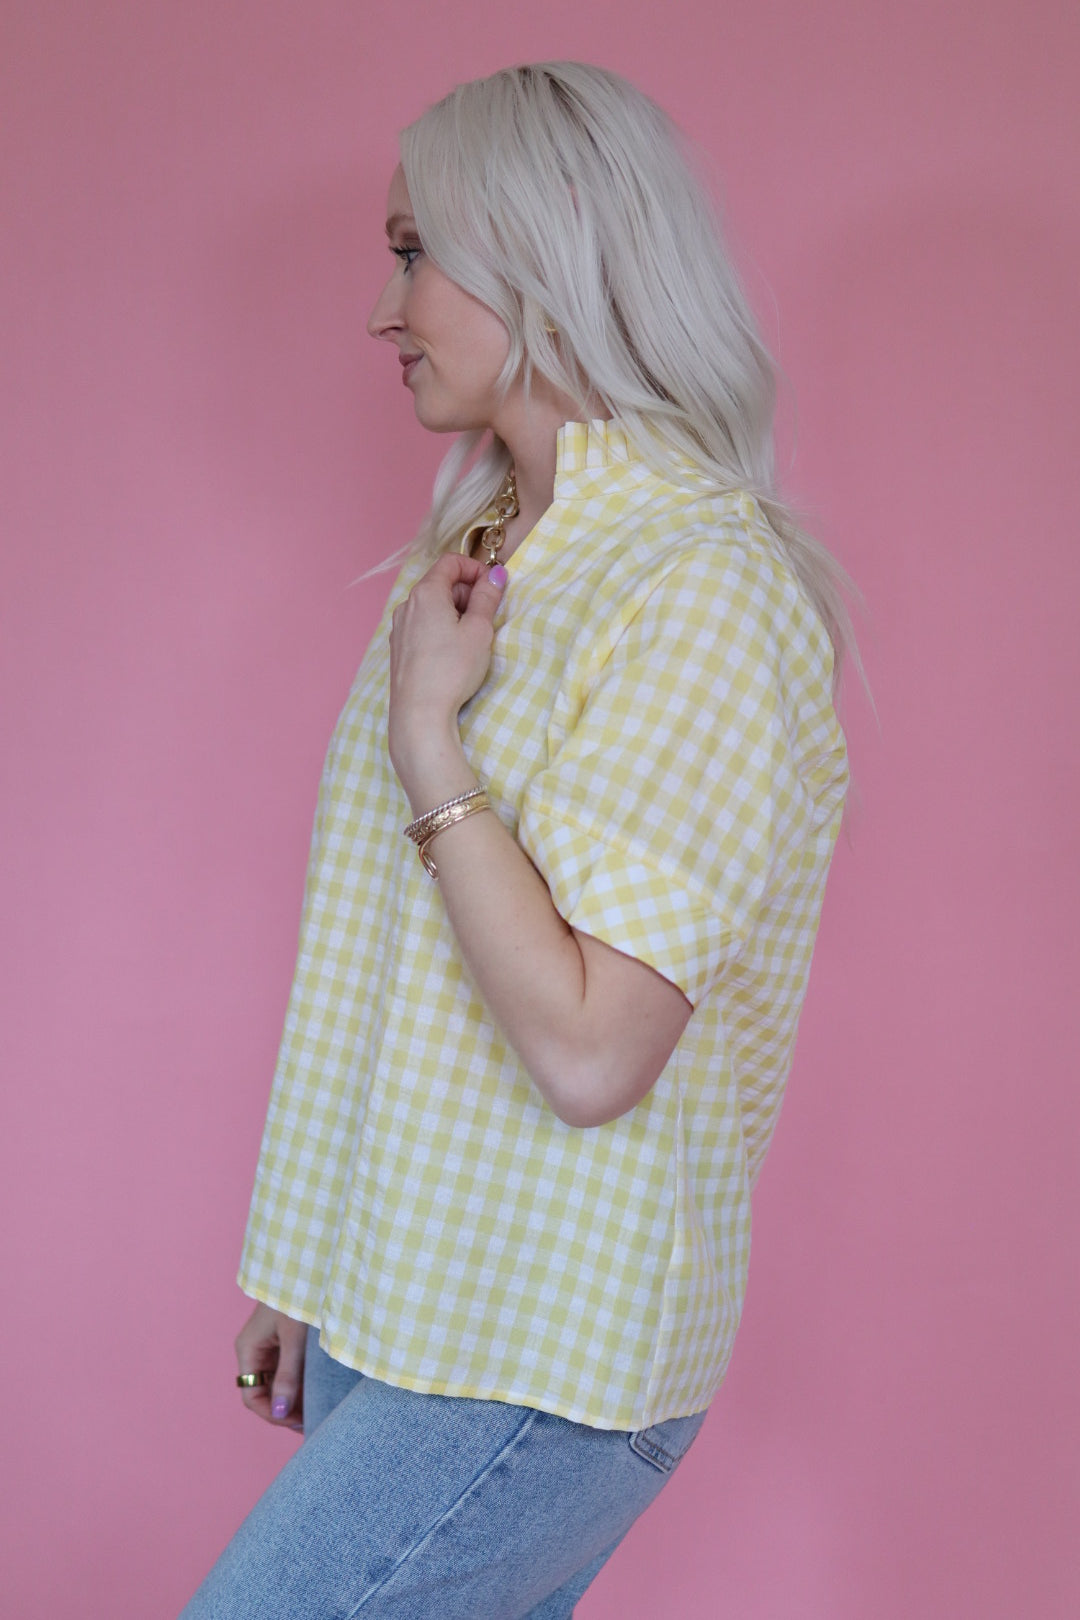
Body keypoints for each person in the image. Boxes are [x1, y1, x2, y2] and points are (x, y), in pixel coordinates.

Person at [181, 60, 855, 1619]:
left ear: (542, 255)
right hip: (404, 1302)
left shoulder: (698, 584)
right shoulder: (479, 557)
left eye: (415, 252)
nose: (383, 308)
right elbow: (381, 965)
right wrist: (306, 1264)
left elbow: (591, 1050)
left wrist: (433, 742)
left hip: (541, 1340)